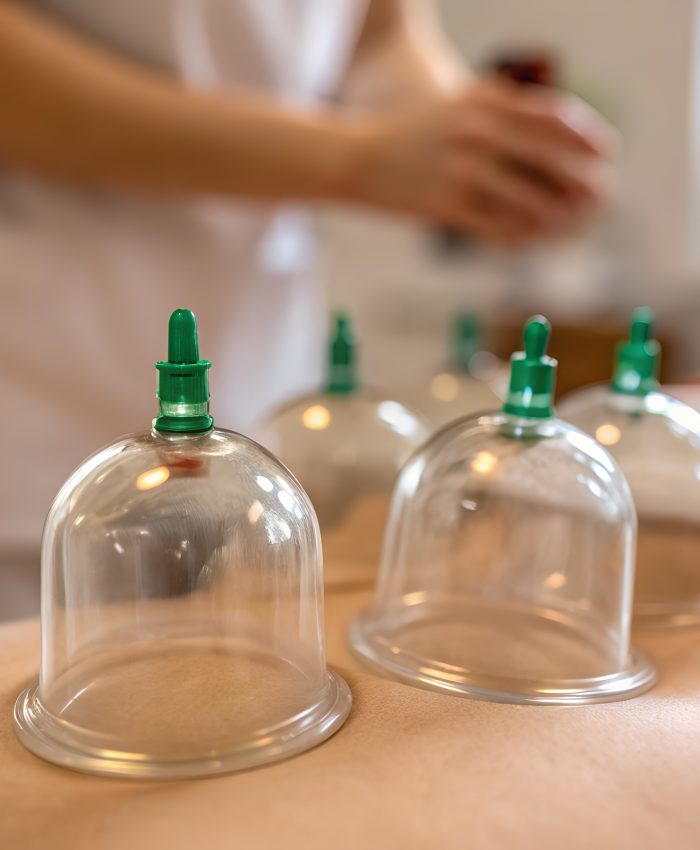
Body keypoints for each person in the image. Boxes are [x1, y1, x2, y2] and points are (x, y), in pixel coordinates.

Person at [0, 0, 616, 611]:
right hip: (37, 411)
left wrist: (482, 155)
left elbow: (379, 34)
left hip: (262, 407)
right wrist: (360, 156)